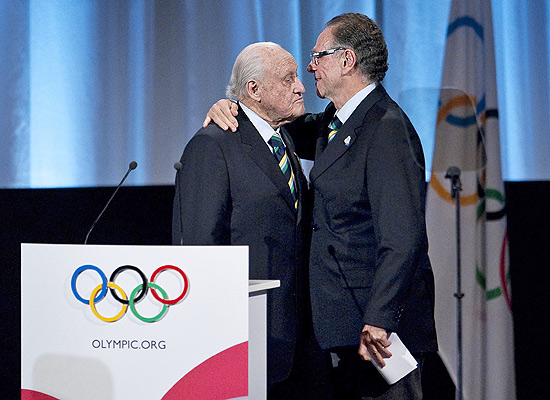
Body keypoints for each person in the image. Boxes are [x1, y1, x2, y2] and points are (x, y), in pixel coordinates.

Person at [204, 13, 437, 400]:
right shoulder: (337, 121)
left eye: (317, 56)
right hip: (343, 327)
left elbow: (403, 238)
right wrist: (232, 106)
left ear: (347, 60)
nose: (310, 67)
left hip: (379, 334)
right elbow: (274, 122)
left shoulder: (386, 128)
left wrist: (379, 318)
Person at [172, 42, 331, 399]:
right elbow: (199, 250)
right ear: (254, 90)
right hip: (242, 334)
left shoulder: (284, 137)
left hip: (294, 336)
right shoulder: (212, 145)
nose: (301, 87)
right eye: (288, 79)